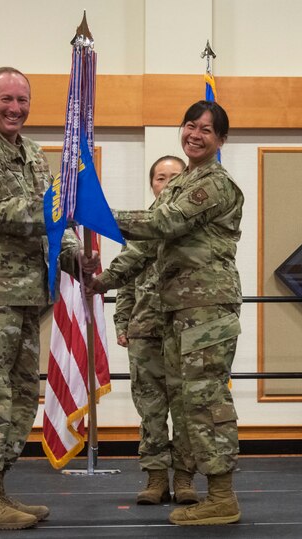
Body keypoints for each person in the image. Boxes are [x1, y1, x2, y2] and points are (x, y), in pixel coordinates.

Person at [0, 66, 94, 530]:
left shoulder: (32, 153)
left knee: (22, 395)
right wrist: (68, 207)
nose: (15, 108)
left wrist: (73, 256)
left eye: (22, 101)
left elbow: (54, 222)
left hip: (27, 298)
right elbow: (2, 213)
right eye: (6, 99)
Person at [89, 100, 243, 526]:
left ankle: (222, 497)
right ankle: (206, 491)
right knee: (185, 402)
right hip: (179, 312)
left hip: (206, 309)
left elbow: (164, 225)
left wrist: (94, 215)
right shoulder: (182, 183)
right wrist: (100, 283)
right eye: (190, 126)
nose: (195, 134)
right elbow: (144, 250)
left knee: (205, 401)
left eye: (206, 130)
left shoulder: (212, 183)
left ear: (221, 140)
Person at [92, 155, 194, 506]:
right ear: (152, 184)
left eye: (174, 177)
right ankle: (154, 479)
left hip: (185, 331)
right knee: (151, 410)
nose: (166, 183)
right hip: (145, 330)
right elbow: (127, 279)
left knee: (185, 408)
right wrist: (122, 324)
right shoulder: (141, 226)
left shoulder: (194, 224)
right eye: (160, 178)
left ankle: (183, 479)